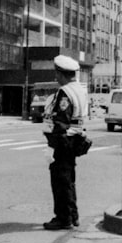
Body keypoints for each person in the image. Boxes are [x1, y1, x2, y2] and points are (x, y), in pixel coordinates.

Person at [42, 55, 89, 231]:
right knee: (69, 180)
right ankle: (72, 214)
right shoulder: (79, 89)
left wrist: (52, 146)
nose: (56, 77)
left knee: (60, 181)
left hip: (63, 141)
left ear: (61, 74)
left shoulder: (65, 92)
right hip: (74, 139)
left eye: (57, 73)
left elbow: (61, 121)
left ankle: (63, 218)